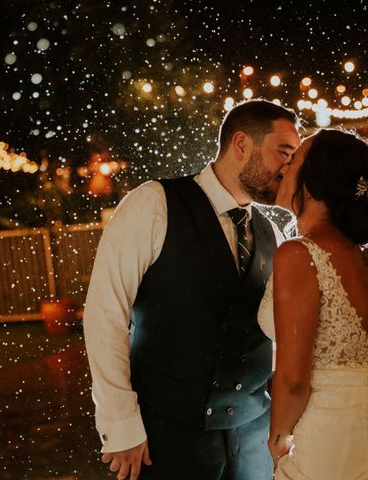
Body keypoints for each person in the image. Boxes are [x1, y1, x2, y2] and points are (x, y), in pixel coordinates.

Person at [83, 98, 301, 480]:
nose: (289, 168)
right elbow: (105, 314)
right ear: (241, 145)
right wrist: (121, 424)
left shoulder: (273, 233)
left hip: (254, 439)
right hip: (167, 435)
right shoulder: (153, 203)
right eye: (283, 153)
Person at [258, 128, 368, 479]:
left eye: (293, 160)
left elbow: (294, 379)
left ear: (313, 181)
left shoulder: (299, 254)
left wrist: (277, 439)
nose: (283, 167)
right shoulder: (354, 257)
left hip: (331, 430)